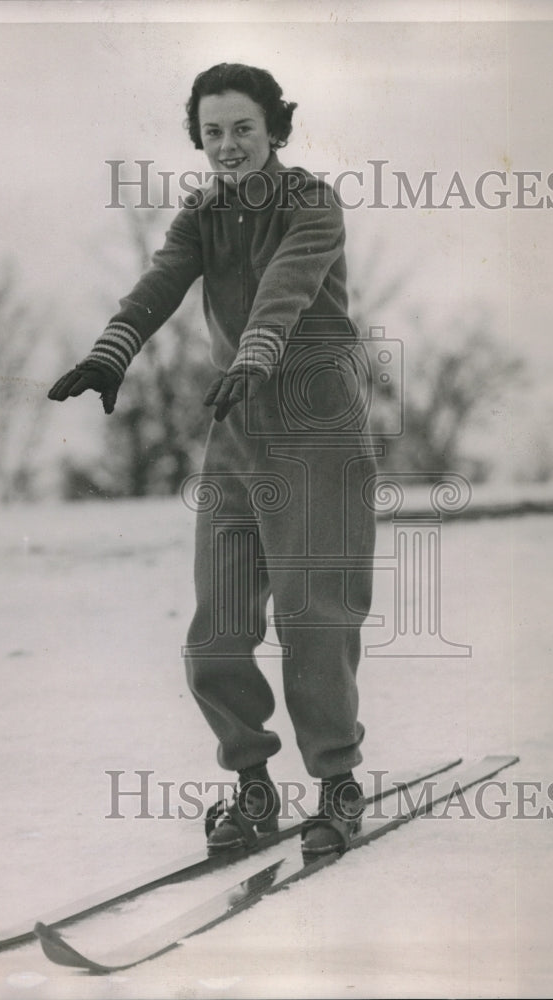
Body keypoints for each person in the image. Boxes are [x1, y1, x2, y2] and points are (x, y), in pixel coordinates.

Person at [49, 63, 377, 857]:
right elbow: (160, 283)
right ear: (199, 138)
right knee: (217, 630)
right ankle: (254, 788)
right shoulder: (202, 213)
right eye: (213, 132)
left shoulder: (311, 203)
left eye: (244, 129)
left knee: (314, 621)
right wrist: (111, 353)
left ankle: (337, 785)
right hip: (237, 427)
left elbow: (286, 289)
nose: (228, 146)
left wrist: (257, 353)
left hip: (316, 428)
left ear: (275, 131)